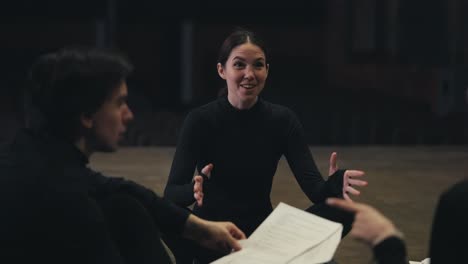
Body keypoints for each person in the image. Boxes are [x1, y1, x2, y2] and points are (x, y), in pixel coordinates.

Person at [0, 47, 245, 264]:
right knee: (127, 212)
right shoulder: (71, 205)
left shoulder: (29, 157)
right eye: (119, 103)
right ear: (87, 115)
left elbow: (115, 187)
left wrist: (201, 230)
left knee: (124, 204)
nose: (129, 115)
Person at [164, 28, 367, 263]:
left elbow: (315, 191)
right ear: (222, 70)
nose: (249, 74)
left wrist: (334, 186)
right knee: (159, 213)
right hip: (213, 237)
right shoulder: (200, 120)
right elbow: (171, 193)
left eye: (258, 65)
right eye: (239, 65)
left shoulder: (282, 120)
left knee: (344, 210)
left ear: (267, 70)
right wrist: (193, 190)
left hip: (263, 236)